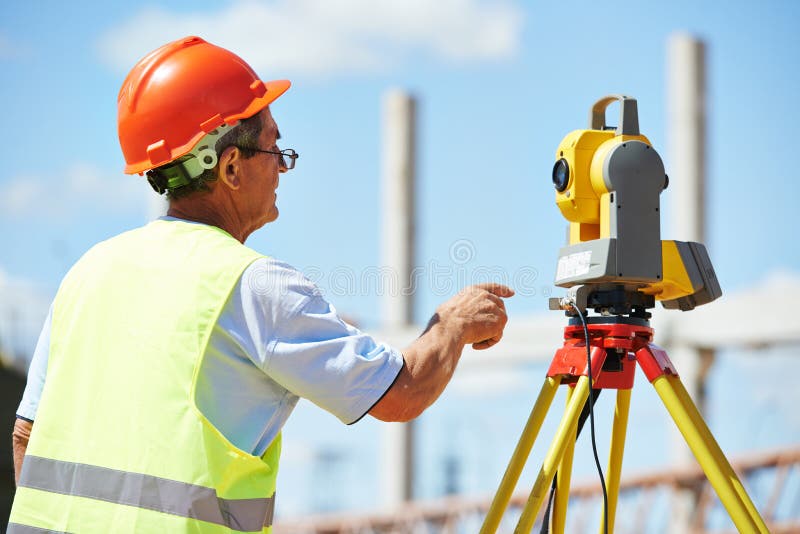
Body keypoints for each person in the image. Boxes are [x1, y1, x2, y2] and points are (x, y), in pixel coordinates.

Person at [9, 36, 513, 533]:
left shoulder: (89, 271)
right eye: (275, 147)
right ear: (229, 166)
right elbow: (401, 393)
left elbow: (26, 435)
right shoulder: (254, 285)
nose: (282, 166)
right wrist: (453, 325)